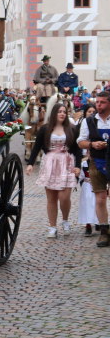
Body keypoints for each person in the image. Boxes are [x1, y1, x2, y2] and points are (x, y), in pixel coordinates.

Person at [26, 103, 81, 238]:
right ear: (54, 114)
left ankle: (65, 220)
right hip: (50, 163)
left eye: (64, 111)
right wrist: (30, 163)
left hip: (66, 163)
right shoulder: (45, 129)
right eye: (59, 111)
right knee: (51, 198)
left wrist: (78, 166)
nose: (62, 114)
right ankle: (52, 227)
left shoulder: (72, 129)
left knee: (64, 197)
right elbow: (37, 146)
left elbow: (77, 149)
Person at [76, 91, 110, 247]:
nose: (99, 105)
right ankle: (104, 232)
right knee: (100, 198)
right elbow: (80, 141)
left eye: (102, 102)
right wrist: (92, 144)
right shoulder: (89, 121)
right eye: (97, 102)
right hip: (97, 161)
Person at [76, 105, 99, 236]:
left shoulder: (98, 126)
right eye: (88, 112)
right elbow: (78, 144)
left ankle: (99, 221)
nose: (91, 114)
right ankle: (88, 223)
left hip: (97, 161)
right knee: (87, 199)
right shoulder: (82, 126)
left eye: (92, 111)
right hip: (85, 163)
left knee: (98, 198)